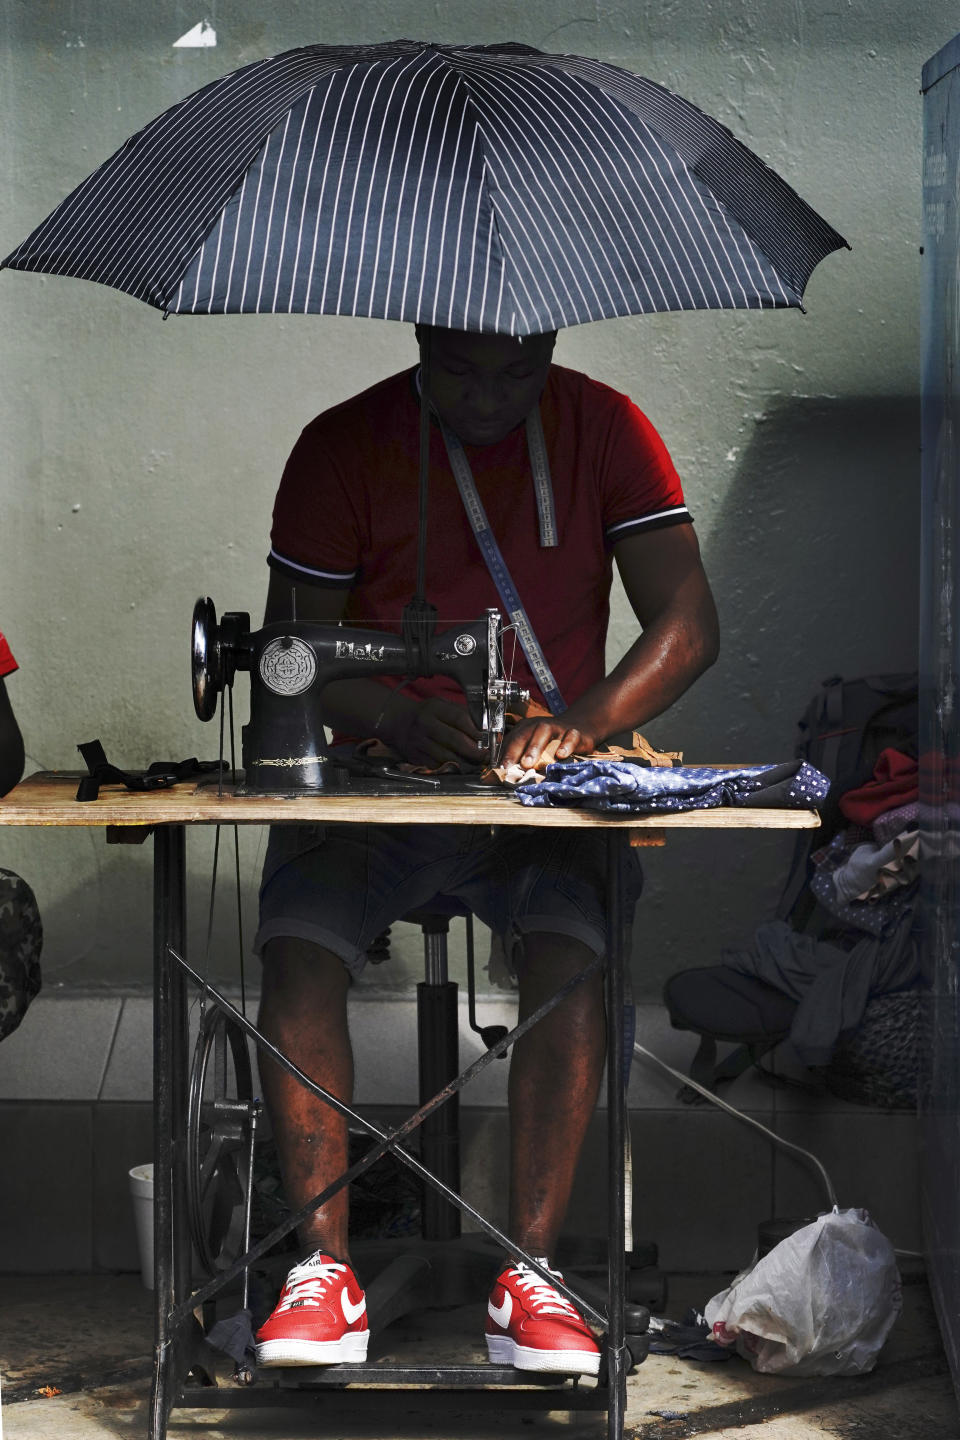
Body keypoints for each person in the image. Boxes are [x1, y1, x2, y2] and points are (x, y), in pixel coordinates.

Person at [252, 326, 719, 1374]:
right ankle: (321, 1274)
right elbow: (294, 659)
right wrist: (394, 716)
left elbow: (687, 625)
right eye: (460, 370)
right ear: (423, 334)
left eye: (518, 370)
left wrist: (584, 723)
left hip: (538, 790)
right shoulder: (343, 447)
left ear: (550, 339)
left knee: (571, 959)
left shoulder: (605, 429)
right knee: (297, 951)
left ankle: (533, 1274)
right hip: (384, 779)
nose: (488, 398)